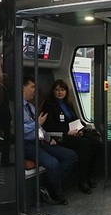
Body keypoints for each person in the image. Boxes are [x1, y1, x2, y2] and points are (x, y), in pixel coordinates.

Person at [22, 76, 77, 204]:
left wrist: (48, 137)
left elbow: (40, 127)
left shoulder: (31, 107)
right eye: (32, 87)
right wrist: (37, 123)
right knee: (53, 163)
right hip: (27, 144)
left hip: (41, 140)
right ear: (23, 88)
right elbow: (20, 130)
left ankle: (47, 186)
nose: (35, 90)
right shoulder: (17, 108)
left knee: (71, 155)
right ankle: (57, 194)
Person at [41, 78, 100, 194]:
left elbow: (76, 120)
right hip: (60, 135)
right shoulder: (49, 105)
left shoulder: (68, 104)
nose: (60, 92)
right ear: (53, 91)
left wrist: (79, 130)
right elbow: (50, 126)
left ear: (66, 91)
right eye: (57, 90)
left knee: (97, 144)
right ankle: (82, 180)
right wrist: (67, 131)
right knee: (84, 144)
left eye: (63, 90)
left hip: (74, 132)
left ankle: (90, 175)